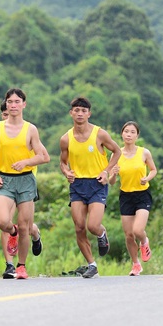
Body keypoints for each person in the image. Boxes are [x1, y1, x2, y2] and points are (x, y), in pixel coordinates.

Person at [0, 88, 50, 280]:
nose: (13, 105)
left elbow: (43, 156)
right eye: (10, 102)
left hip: (26, 180)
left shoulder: (30, 129)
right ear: (6, 104)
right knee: (1, 221)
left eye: (17, 102)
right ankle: (12, 232)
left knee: (25, 225)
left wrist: (26, 162)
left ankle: (21, 266)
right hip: (5, 179)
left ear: (24, 105)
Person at [59, 97, 122, 279]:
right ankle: (92, 264)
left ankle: (102, 233)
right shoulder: (65, 139)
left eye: (83, 111)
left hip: (97, 183)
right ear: (71, 113)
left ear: (89, 113)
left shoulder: (99, 134)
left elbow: (117, 151)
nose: (80, 114)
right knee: (79, 227)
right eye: (76, 110)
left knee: (93, 225)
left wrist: (106, 171)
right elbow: (63, 162)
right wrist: (66, 172)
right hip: (77, 185)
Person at [108, 121, 157, 276]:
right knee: (129, 234)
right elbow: (111, 181)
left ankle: (144, 242)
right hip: (126, 195)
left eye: (132, 132)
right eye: (126, 132)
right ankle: (136, 264)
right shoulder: (116, 154)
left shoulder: (144, 152)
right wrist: (114, 173)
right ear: (122, 134)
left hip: (142, 194)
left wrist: (147, 178)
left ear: (137, 135)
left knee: (137, 230)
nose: (128, 135)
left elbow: (153, 170)